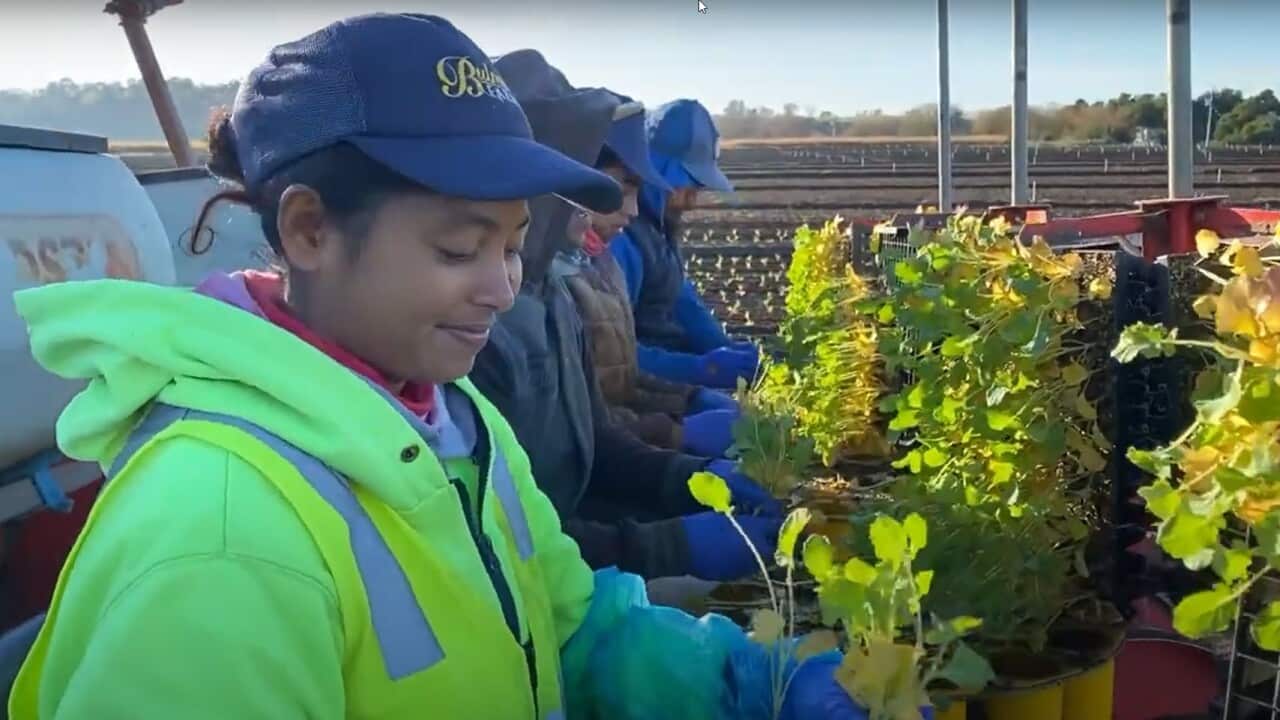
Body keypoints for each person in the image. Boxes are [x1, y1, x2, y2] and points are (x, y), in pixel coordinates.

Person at [3, 14, 865, 720]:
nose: (500, 288)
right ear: (309, 231)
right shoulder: (219, 537)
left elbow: (563, 630)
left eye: (515, 245)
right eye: (458, 248)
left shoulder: (454, 419)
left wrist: (744, 683)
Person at [471, 49, 780, 584]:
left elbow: (596, 442)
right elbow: (500, 543)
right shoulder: (478, 329)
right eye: (604, 189)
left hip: (579, 558)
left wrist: (692, 476)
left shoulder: (554, 298)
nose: (625, 212)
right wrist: (666, 547)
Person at [556, 93, 739, 458]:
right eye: (687, 185)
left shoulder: (642, 238)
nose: (691, 201)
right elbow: (579, 424)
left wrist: (716, 362)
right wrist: (696, 381)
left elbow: (619, 369)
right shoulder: (609, 249)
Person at [611, 98, 761, 389]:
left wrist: (724, 348)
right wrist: (701, 369)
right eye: (687, 188)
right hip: (638, 389)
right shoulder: (620, 241)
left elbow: (684, 302)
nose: (692, 203)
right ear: (656, 174)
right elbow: (610, 356)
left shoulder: (659, 230)